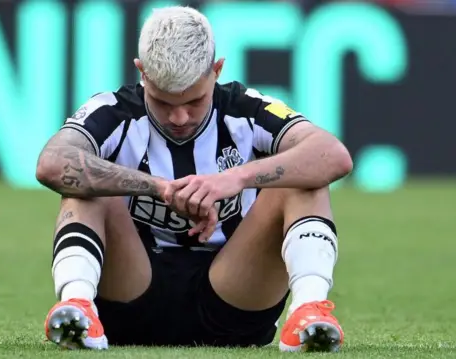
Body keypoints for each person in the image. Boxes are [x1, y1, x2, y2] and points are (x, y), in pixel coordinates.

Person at [35, 5, 352, 353]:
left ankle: (309, 310)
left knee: (301, 180)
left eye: (195, 100)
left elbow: (333, 155)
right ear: (142, 72)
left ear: (217, 70)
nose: (180, 116)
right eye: (162, 101)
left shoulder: (247, 108)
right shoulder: (111, 111)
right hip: (130, 296)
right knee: (84, 182)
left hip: (234, 299)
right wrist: (158, 188)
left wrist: (235, 179)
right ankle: (77, 305)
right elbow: (52, 164)